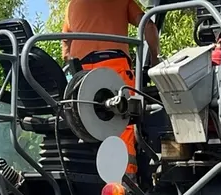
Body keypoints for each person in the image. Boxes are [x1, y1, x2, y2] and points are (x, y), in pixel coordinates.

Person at [62, 0, 160, 172]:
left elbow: (66, 46)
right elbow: (149, 26)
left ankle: (94, 175)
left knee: (87, 121)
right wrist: (154, 59)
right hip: (114, 64)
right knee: (123, 119)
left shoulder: (72, 4)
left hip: (82, 74)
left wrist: (74, 69)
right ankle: (124, 181)